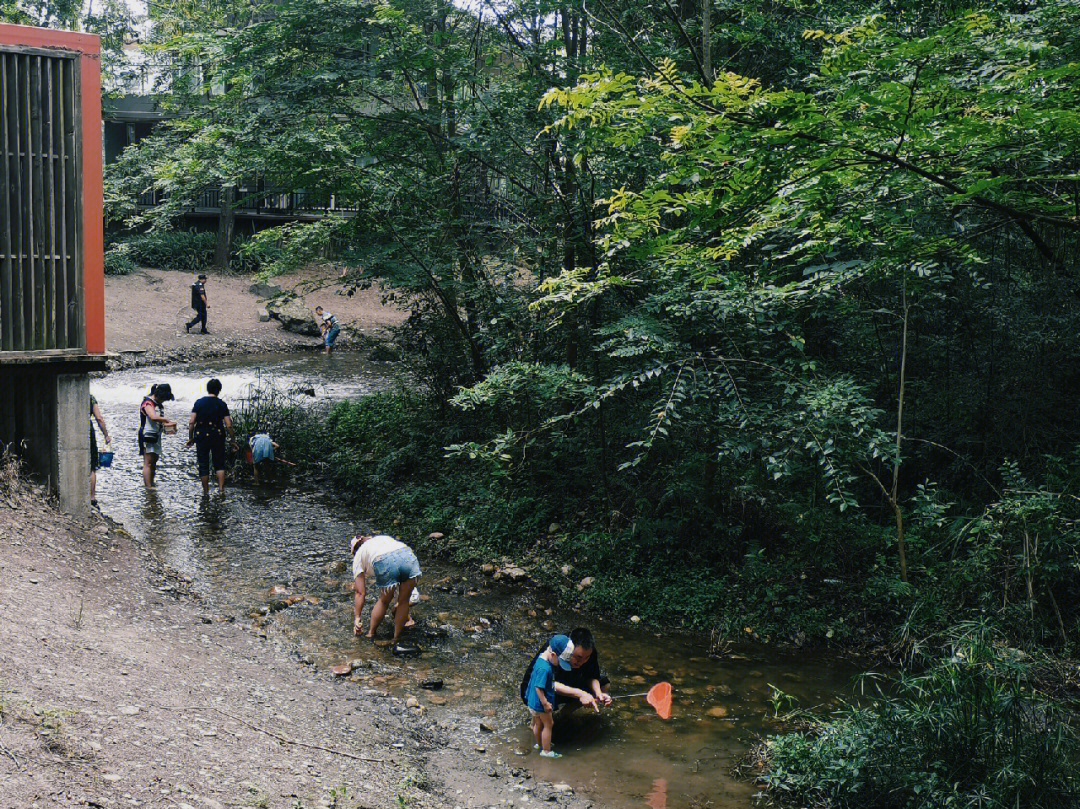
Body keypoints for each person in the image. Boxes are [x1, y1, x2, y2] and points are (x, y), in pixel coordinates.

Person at [520, 627, 612, 716]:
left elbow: (592, 676)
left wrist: (599, 694)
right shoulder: (555, 648)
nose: (582, 662)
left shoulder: (588, 651)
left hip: (566, 680)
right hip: (537, 686)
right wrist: (581, 694)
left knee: (604, 684)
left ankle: (564, 714)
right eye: (578, 657)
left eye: (586, 658)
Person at [350, 533, 421, 642]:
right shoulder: (382, 539)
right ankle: (396, 638)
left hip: (384, 559)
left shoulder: (358, 556)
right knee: (404, 601)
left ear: (354, 551)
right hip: (407, 554)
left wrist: (357, 618)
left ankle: (371, 633)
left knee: (384, 601)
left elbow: (360, 593)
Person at [526, 634, 576, 759]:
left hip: (532, 700)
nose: (559, 665)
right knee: (549, 724)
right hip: (540, 702)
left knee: (537, 723)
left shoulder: (540, 659)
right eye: (560, 662)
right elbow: (538, 686)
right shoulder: (545, 669)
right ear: (553, 655)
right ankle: (546, 750)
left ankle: (539, 744)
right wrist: (545, 703)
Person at [188, 378, 238, 495]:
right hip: (218, 436)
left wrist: (191, 438)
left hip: (201, 437)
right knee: (219, 463)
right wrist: (233, 440)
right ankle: (221, 489)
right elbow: (229, 425)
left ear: (207, 389)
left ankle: (206, 492)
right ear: (219, 390)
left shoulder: (199, 402)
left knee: (203, 464)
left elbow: (191, 422)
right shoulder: (221, 404)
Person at [139, 384, 177, 489]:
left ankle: (151, 483)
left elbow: (157, 421)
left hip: (156, 434)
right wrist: (166, 420)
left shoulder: (157, 404)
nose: (164, 401)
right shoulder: (148, 403)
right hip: (147, 435)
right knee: (148, 462)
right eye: (164, 398)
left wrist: (167, 427)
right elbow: (153, 417)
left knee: (154, 461)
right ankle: (148, 486)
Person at [90, 393, 110, 508]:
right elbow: (99, 418)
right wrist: (106, 435)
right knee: (92, 466)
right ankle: (92, 498)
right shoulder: (90, 398)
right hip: (87, 429)